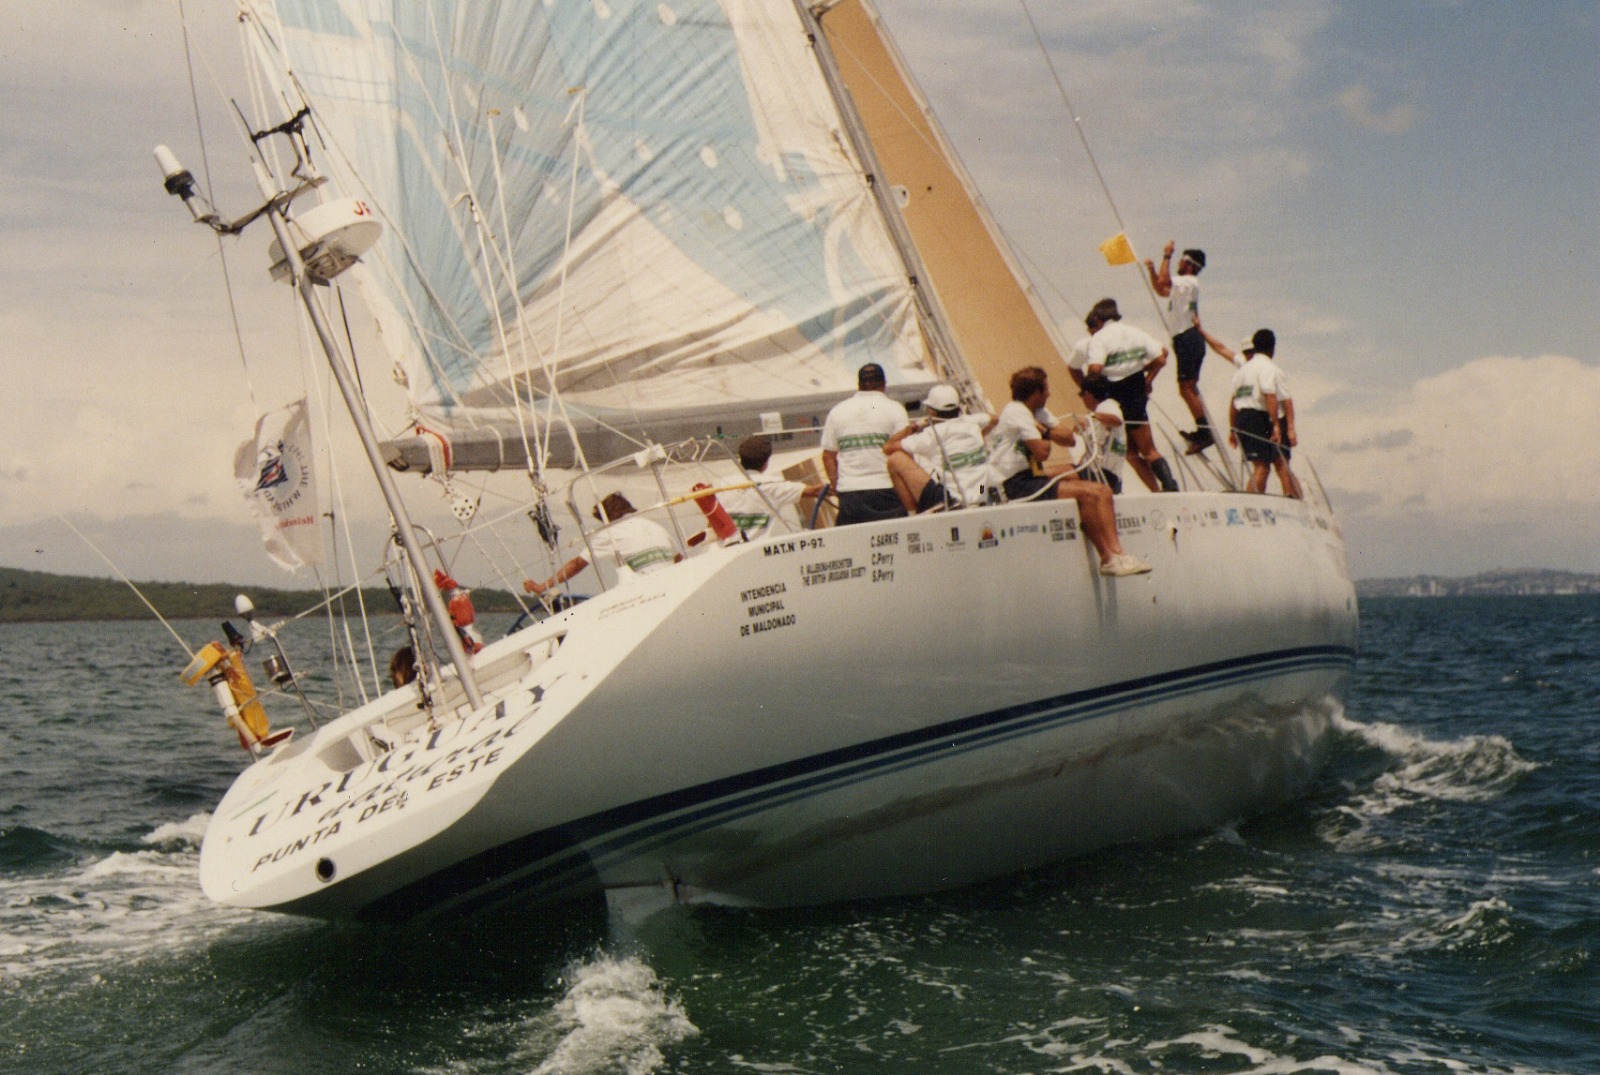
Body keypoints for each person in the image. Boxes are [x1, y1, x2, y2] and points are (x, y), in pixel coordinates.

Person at [988, 366, 1152, 576]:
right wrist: (1046, 436)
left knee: (1094, 486)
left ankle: (1118, 555)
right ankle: (1111, 557)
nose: (1049, 393)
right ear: (1037, 393)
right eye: (1046, 389)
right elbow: (1042, 453)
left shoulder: (1036, 412)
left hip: (1025, 477)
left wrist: (1045, 430)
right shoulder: (1017, 412)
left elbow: (1069, 439)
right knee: (1095, 492)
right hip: (1011, 484)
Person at [1084, 298, 1179, 492]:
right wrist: (1148, 379)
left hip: (1115, 393)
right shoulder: (1135, 332)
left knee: (1133, 451)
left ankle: (1160, 489)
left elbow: (1095, 369)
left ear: (1099, 319)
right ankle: (1167, 487)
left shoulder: (1100, 338)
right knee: (1143, 450)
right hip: (1136, 390)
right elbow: (1162, 356)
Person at [525, 492, 681, 595]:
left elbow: (577, 564)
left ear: (606, 516)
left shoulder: (611, 532)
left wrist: (542, 587)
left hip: (646, 594)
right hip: (673, 588)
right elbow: (679, 559)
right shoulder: (654, 526)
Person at [820, 362, 910, 526]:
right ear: (884, 384)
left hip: (850, 494)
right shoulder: (896, 409)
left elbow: (828, 456)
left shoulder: (838, 411)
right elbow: (905, 453)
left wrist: (838, 487)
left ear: (859, 385)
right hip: (887, 490)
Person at [1144, 242, 1214, 452]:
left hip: (1187, 338)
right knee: (1187, 387)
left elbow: (1164, 281)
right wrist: (1151, 270)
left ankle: (1204, 432)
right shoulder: (1184, 284)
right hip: (1185, 339)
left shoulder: (1187, 281)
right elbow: (1161, 289)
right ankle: (1202, 430)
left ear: (1191, 266)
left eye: (1182, 261)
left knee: (1185, 388)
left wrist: (1166, 255)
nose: (1178, 264)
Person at [882, 384, 997, 512]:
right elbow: (994, 419)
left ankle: (914, 515)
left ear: (932, 412)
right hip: (980, 493)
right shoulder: (972, 423)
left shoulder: (932, 434)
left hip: (951, 499)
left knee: (895, 459)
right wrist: (980, 436)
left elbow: (888, 447)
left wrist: (915, 426)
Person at [723, 434, 827, 541]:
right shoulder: (772, 485)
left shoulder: (722, 484)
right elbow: (816, 491)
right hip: (755, 549)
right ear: (766, 462)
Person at [1227, 330, 1284, 494]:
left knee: (1260, 464)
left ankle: (1257, 500)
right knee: (1262, 466)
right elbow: (1269, 395)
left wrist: (1232, 428)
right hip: (1257, 417)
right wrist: (1276, 425)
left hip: (1241, 417)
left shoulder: (1243, 370)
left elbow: (1233, 402)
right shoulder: (1267, 367)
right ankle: (1251, 502)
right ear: (1272, 348)